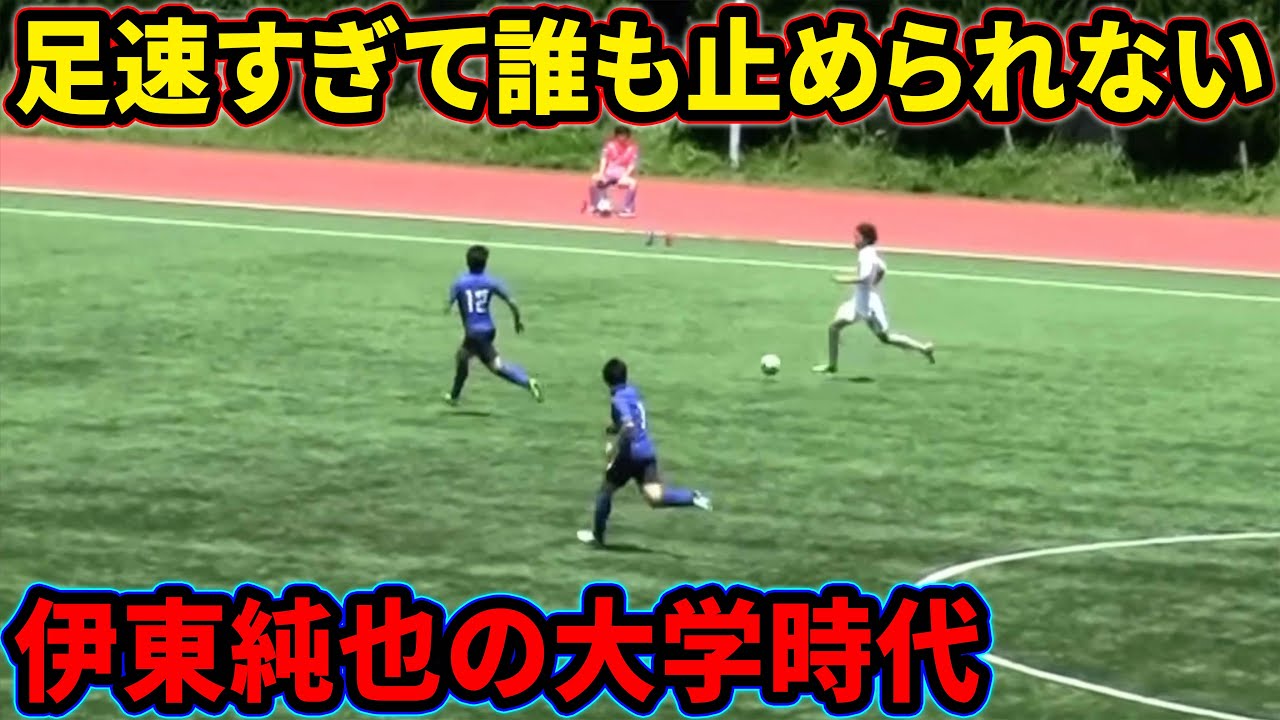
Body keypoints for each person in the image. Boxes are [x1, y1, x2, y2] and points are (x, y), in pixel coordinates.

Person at [577, 358, 711, 547]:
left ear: (606, 380)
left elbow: (629, 425)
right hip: (646, 452)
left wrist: (614, 450)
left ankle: (597, 537)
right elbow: (634, 419)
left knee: (605, 491)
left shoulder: (617, 399)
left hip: (629, 455)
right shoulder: (633, 391)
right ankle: (693, 497)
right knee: (654, 497)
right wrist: (614, 427)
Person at [812, 223, 936, 374]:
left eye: (857, 237)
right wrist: (874, 282)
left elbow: (865, 278)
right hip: (860, 300)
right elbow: (882, 269)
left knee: (885, 338)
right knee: (834, 327)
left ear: (865, 239)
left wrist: (842, 279)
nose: (854, 241)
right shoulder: (870, 252)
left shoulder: (866, 255)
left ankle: (923, 349)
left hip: (867, 305)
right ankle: (832, 365)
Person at [444, 245, 543, 405]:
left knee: (495, 366)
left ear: (467, 262)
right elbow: (511, 302)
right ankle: (454, 396)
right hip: (488, 330)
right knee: (463, 357)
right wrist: (517, 321)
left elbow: (448, 303)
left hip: (474, 333)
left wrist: (449, 306)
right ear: (485, 263)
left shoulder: (460, 282)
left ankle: (527, 382)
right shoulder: (491, 281)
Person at [585, 126, 640, 218]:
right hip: (609, 174)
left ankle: (628, 210)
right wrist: (601, 173)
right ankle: (594, 205)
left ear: (628, 136)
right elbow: (604, 159)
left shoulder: (632, 148)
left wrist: (625, 176)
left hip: (622, 175)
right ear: (616, 136)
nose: (622, 138)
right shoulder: (610, 145)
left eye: (624, 136)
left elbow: (632, 164)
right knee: (594, 179)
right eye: (620, 135)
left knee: (633, 183)